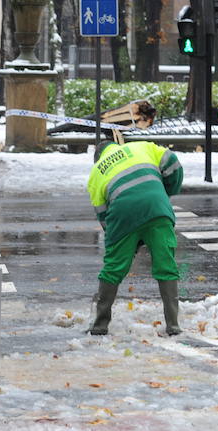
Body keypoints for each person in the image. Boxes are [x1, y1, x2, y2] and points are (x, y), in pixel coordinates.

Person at [86, 140, 184, 336]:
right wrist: (167, 192)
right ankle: (173, 325)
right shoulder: (140, 146)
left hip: (123, 215)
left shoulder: (96, 173)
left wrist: (122, 241)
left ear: (98, 158)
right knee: (166, 264)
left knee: (113, 267)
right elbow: (172, 162)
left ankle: (100, 324)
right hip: (157, 208)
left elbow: (104, 216)